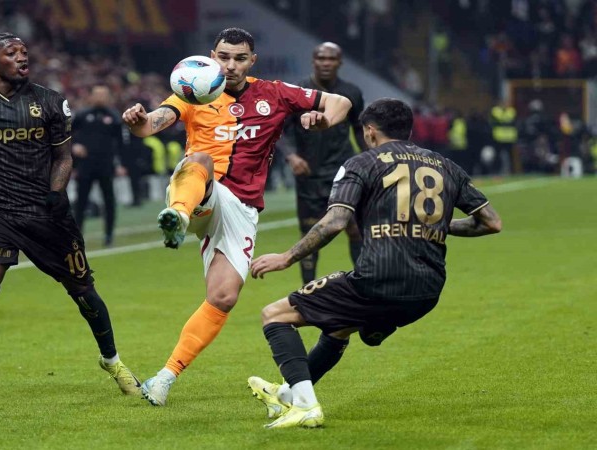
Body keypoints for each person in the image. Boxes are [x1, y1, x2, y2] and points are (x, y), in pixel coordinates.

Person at [121, 27, 353, 406]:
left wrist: (324, 121)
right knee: (199, 158)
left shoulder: (274, 93)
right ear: (212, 57)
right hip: (199, 190)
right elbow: (153, 122)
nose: (230, 65)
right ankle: (177, 217)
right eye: (224, 57)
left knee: (224, 297)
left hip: (242, 207)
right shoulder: (193, 90)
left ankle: (164, 378)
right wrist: (138, 122)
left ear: (252, 61)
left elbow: (340, 101)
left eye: (239, 58)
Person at [249, 98, 502, 429]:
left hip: (377, 280)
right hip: (427, 291)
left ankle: (306, 406)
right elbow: (491, 222)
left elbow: (335, 221)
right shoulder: (446, 165)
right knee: (339, 327)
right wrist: (436, 225)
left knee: (274, 315)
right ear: (408, 130)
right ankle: (286, 393)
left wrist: (286, 257)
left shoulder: (361, 163)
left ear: (369, 131)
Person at [0, 32, 140, 406]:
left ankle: (112, 361)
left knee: (83, 292)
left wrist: (56, 192)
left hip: (46, 214)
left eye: (24, 52)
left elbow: (63, 157)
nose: (21, 57)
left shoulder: (50, 102)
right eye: (11, 53)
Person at [283, 42, 366, 284]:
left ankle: (364, 284)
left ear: (340, 62)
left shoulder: (351, 92)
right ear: (313, 61)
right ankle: (306, 289)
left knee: (355, 228)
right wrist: (292, 156)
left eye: (331, 59)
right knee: (310, 233)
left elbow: (359, 128)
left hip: (344, 171)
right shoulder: (298, 91)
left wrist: (372, 158)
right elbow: (280, 130)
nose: (326, 63)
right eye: (321, 58)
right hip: (309, 173)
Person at [71, 85, 124, 246]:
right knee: (81, 202)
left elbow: (121, 143)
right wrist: (74, 146)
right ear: (91, 97)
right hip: (85, 165)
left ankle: (109, 235)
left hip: (106, 165)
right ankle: (77, 236)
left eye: (103, 94)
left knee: (109, 201)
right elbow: (67, 135)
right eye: (97, 94)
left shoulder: (114, 117)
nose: (100, 97)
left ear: (108, 97)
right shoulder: (82, 115)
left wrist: (120, 164)